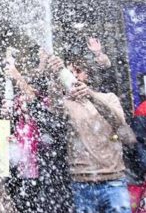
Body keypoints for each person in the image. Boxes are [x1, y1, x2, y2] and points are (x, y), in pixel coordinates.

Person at [47, 56, 136, 212]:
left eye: (77, 71)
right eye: (69, 72)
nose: (73, 76)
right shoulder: (67, 104)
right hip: (82, 182)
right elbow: (53, 104)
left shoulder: (108, 97)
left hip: (113, 180)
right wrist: (55, 75)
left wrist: (90, 96)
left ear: (86, 75)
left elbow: (119, 124)